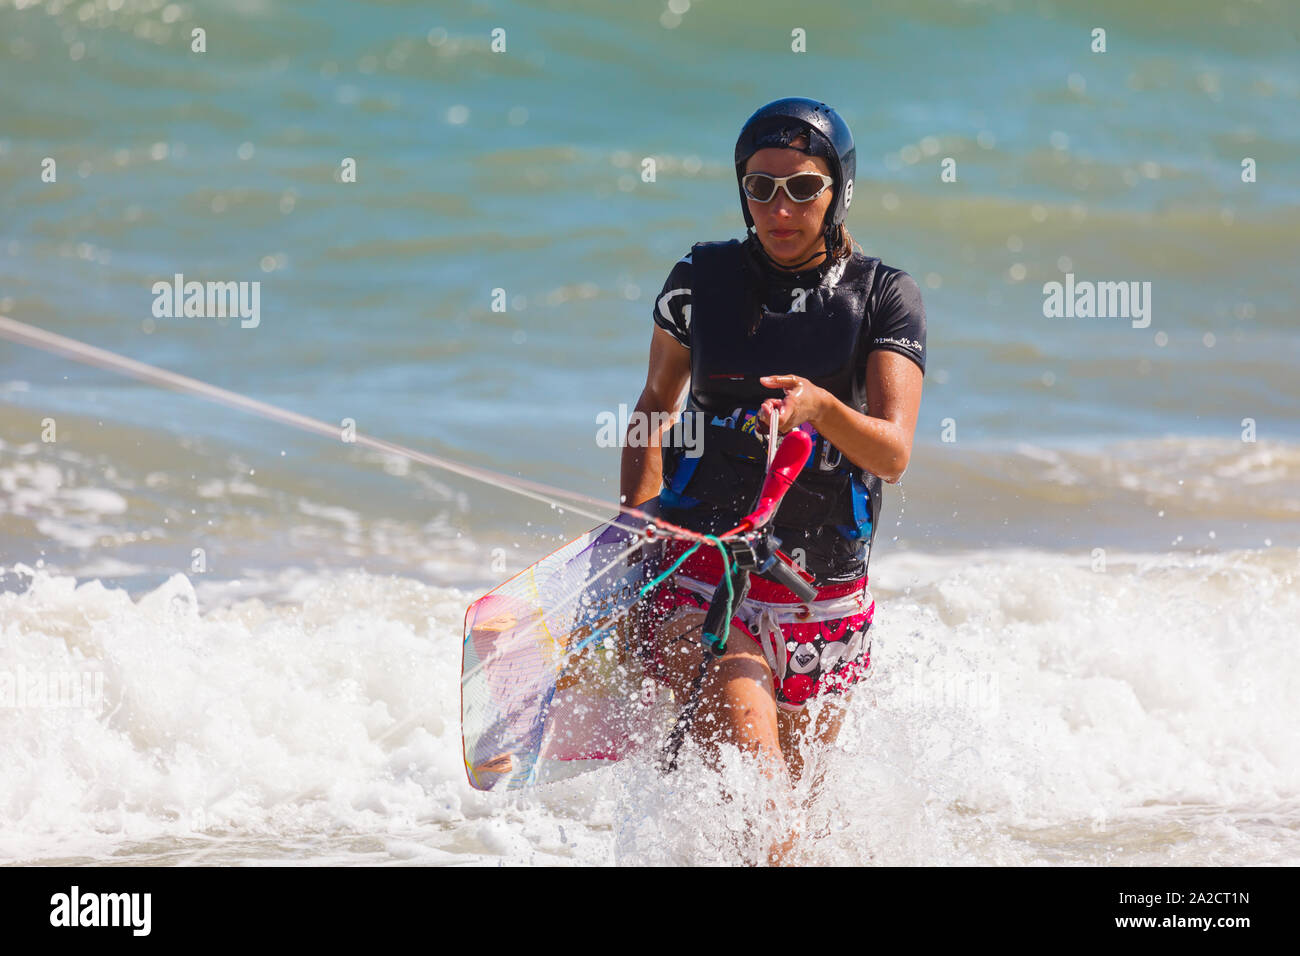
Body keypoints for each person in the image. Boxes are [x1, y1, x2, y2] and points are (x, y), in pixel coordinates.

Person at [619, 97, 926, 862]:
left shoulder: (885, 296)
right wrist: (633, 524)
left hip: (824, 591)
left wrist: (823, 409)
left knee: (797, 820)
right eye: (760, 188)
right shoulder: (700, 277)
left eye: (802, 188)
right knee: (761, 799)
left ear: (839, 191)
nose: (779, 208)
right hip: (708, 573)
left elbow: (891, 452)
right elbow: (654, 406)